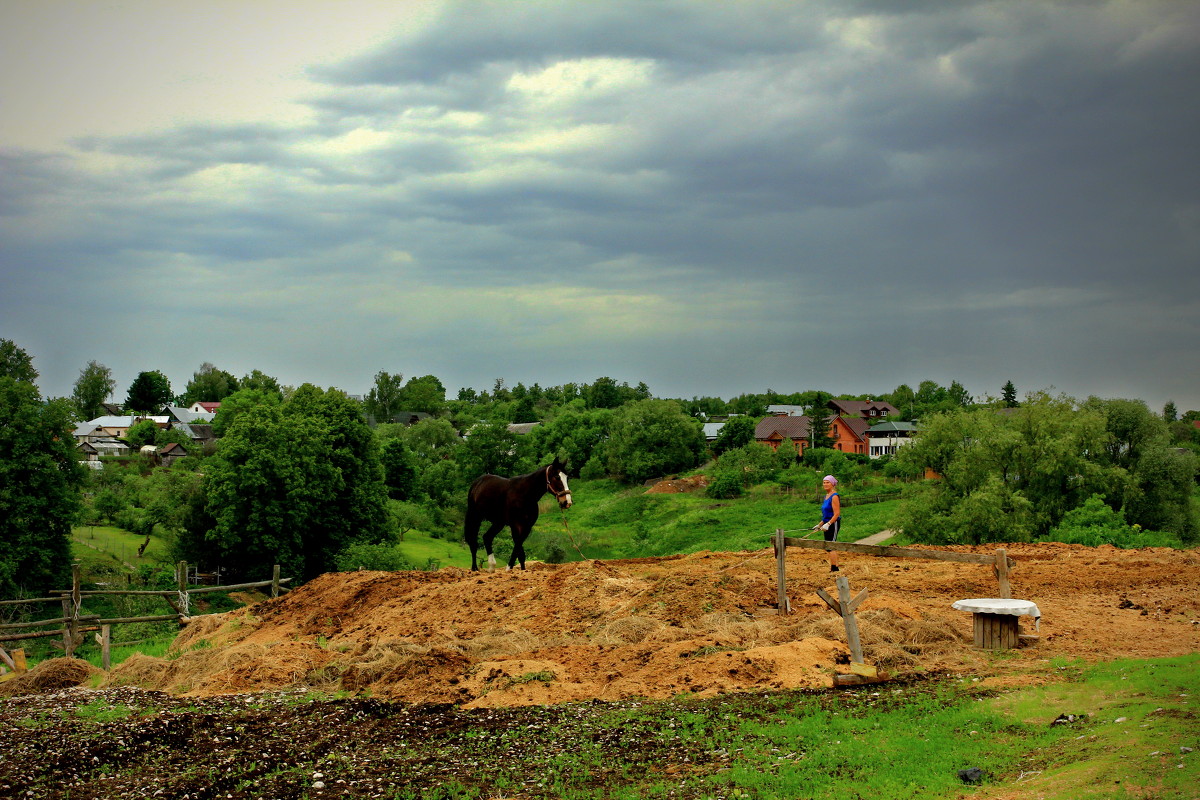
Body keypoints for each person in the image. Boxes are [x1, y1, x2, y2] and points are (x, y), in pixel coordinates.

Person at [818, 475, 842, 572]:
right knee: (828, 545)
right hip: (827, 522)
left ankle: (834, 568)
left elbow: (836, 514)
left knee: (831, 545)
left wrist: (828, 524)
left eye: (827, 482)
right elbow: (827, 514)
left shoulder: (834, 496)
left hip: (834, 523)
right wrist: (820, 524)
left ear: (832, 484)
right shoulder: (826, 496)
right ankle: (835, 566)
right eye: (824, 482)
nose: (825, 484)